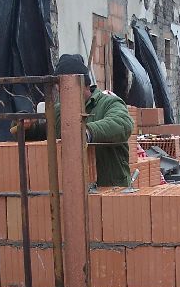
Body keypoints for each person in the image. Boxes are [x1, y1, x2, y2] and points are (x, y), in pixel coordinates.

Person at [16, 54, 134, 187]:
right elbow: (44, 131)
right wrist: (25, 125)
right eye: (58, 87)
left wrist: (86, 132)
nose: (60, 91)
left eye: (65, 86)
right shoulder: (59, 110)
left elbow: (122, 124)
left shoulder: (109, 103)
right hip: (72, 189)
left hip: (111, 188)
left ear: (84, 85)